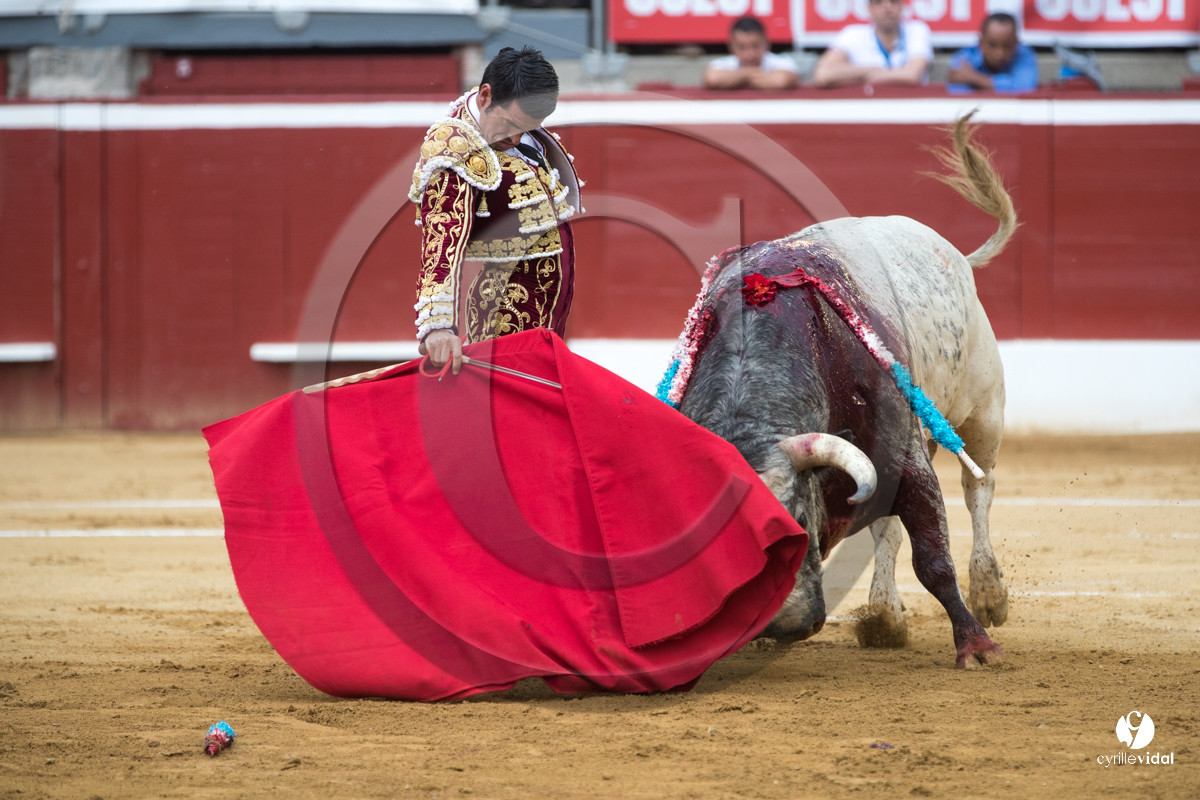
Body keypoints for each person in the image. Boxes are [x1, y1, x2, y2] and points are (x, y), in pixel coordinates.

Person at [409, 46, 581, 374]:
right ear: (486, 96)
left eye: (527, 127)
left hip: (543, 314)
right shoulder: (453, 148)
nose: (516, 138)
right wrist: (438, 326)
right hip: (505, 314)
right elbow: (442, 237)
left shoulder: (504, 116)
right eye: (511, 123)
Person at [811, 0, 932, 88]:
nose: (887, 8)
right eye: (878, 2)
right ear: (869, 8)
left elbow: (912, 75)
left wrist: (859, 77)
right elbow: (823, 75)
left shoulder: (917, 29)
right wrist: (872, 70)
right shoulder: (852, 34)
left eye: (893, 1)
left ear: (903, 6)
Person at [947, 13, 1039, 93]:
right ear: (981, 42)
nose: (1000, 53)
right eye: (992, 45)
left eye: (1007, 46)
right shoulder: (963, 58)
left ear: (1016, 42)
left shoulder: (1025, 55)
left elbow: (1025, 87)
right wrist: (1001, 86)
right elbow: (960, 94)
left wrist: (973, 78)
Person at [704, 16, 800, 90]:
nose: (750, 54)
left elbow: (781, 81)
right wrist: (756, 75)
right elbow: (712, 79)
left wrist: (737, 78)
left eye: (755, 46)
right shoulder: (721, 64)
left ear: (767, 43)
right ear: (731, 46)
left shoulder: (782, 62)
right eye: (742, 47)